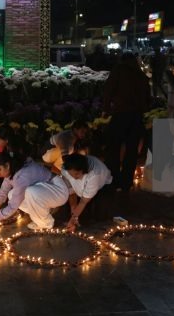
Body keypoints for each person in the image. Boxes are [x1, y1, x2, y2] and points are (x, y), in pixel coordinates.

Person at [0, 152, 68, 230]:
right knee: (11, 195)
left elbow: (13, 206)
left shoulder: (22, 176)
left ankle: (46, 223)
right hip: (46, 191)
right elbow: (3, 193)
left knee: (30, 192)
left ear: (7, 165)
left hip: (58, 190)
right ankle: (41, 216)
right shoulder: (12, 171)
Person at [102, 52, 151, 191]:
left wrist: (106, 109)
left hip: (121, 114)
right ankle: (126, 182)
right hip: (136, 117)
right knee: (131, 150)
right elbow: (148, 96)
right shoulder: (141, 75)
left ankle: (113, 180)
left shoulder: (119, 71)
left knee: (113, 147)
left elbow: (108, 90)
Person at [61, 153, 113, 232]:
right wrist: (73, 210)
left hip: (103, 186)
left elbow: (83, 202)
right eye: (71, 175)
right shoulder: (65, 169)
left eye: (77, 174)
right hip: (80, 190)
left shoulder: (94, 175)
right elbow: (71, 190)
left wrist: (73, 219)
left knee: (100, 217)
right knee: (72, 213)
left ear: (83, 170)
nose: (74, 177)